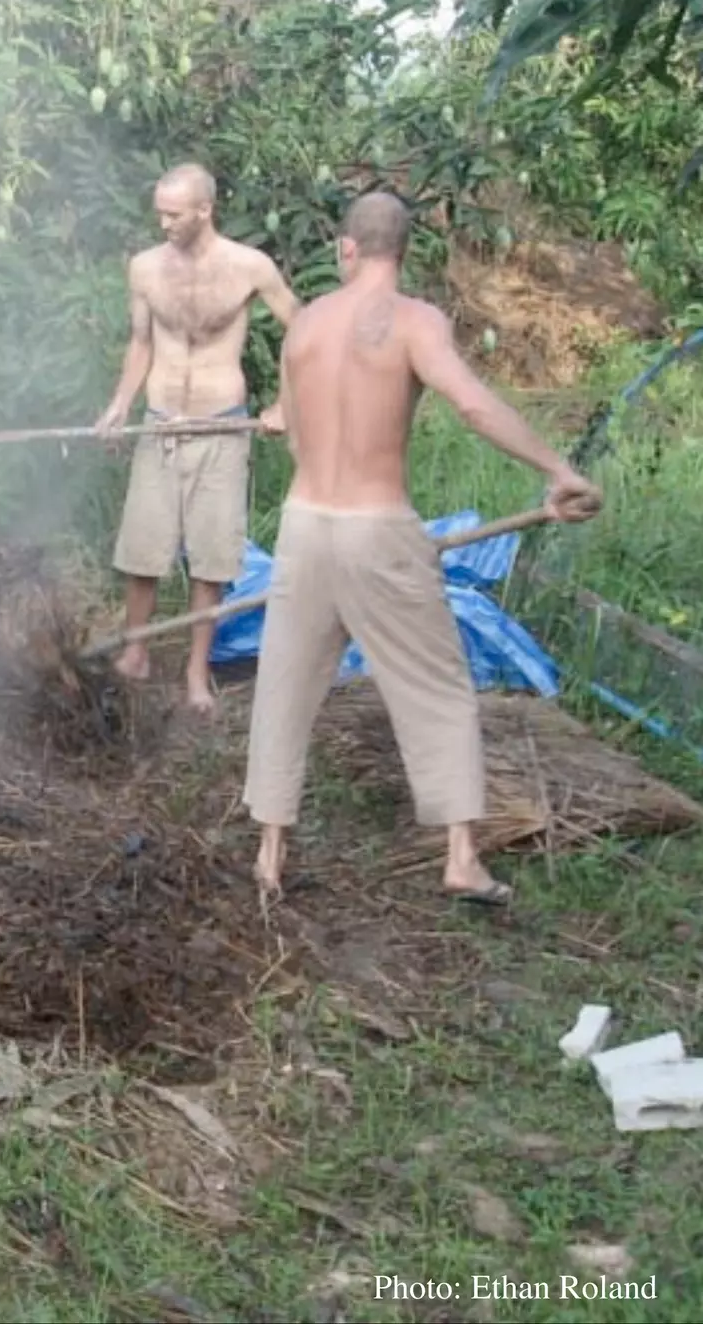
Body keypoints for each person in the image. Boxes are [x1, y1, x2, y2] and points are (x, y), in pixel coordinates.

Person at [243, 191, 602, 905]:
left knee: (283, 686)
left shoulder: (306, 324)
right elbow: (470, 402)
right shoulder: (414, 321)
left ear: (347, 248)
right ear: (401, 253)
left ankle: (269, 853)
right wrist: (556, 469)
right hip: (378, 528)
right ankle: (461, 858)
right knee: (437, 689)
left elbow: (288, 423)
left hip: (305, 523)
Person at [96, 163, 302, 712]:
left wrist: (286, 403)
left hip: (221, 426)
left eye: (174, 214)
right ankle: (136, 653)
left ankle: (194, 673)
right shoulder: (144, 269)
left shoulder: (248, 267)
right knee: (141, 549)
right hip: (161, 423)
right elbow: (141, 343)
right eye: (159, 212)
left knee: (210, 559)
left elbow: (303, 332)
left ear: (205, 210)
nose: (163, 223)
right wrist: (120, 404)